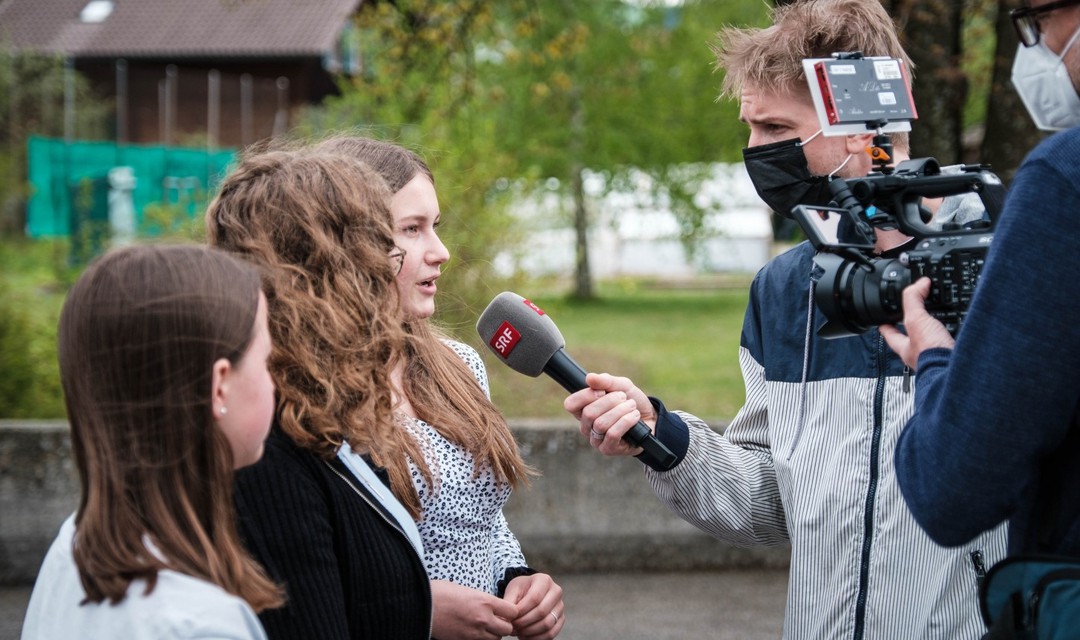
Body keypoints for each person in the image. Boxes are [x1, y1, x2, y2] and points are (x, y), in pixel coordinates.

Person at [563, 1, 1007, 638]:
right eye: (749, 128)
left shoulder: (1013, 268)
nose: (754, 152)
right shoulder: (784, 287)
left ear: (863, 127)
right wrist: (662, 436)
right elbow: (774, 502)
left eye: (774, 129)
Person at [313, 135, 565, 640]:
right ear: (350, 242)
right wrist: (415, 612)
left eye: (436, 227)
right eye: (412, 229)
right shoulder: (311, 392)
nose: (441, 252)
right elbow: (306, 574)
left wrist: (519, 578)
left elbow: (476, 520)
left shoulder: (459, 364)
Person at [881, 0, 1080, 557]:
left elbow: (953, 490)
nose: (1036, 47)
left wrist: (936, 360)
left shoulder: (1064, 178)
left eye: (1038, 20)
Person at [207, 151, 433, 639]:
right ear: (324, 277)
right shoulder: (266, 452)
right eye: (382, 250)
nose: (388, 272)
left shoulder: (325, 412)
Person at [21, 244, 282, 639]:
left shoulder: (71, 550)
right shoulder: (202, 625)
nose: (273, 382)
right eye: (266, 362)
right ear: (220, 387)